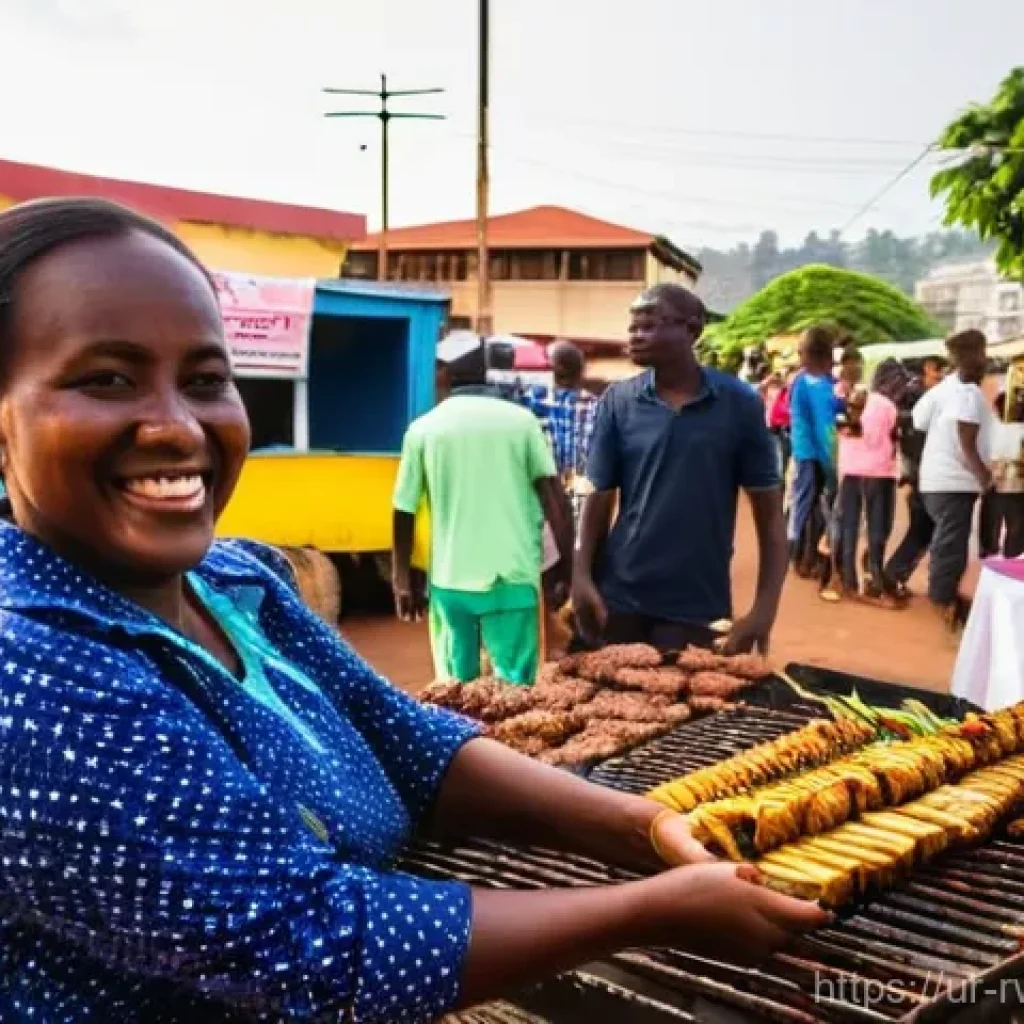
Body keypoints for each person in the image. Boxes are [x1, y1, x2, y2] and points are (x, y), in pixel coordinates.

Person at [0, 198, 827, 1021]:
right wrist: (657, 909)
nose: (179, 426)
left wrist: (641, 826)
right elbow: (313, 944)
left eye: (206, 380)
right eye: (106, 380)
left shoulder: (236, 578)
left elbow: (403, 738)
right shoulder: (28, 675)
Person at [572, 284, 787, 653]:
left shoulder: (739, 405)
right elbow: (598, 498)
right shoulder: (619, 401)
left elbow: (770, 517)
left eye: (648, 325)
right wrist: (581, 577)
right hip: (620, 597)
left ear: (691, 329)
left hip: (698, 605)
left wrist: (764, 610)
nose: (634, 336)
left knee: (690, 706)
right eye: (632, 327)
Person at [393, 351, 572, 687]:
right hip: (512, 579)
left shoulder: (424, 428)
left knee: (453, 691)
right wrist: (568, 569)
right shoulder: (522, 422)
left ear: (446, 377)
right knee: (516, 690)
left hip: (448, 580)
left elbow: (403, 509)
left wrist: (401, 577)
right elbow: (555, 500)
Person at [915, 330, 993, 627]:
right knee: (952, 544)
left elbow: (920, 422)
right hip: (953, 481)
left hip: (935, 479)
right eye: (982, 353)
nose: (986, 360)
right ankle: (943, 602)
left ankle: (944, 595)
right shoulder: (968, 394)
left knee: (945, 541)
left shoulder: (940, 390)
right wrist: (984, 476)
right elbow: (966, 440)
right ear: (972, 356)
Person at [835, 359, 908, 605]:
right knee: (878, 529)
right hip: (879, 473)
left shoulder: (856, 398)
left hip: (851, 472)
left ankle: (847, 580)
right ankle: (874, 580)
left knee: (850, 527)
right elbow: (891, 440)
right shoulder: (888, 406)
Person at [883, 355, 948, 598]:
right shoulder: (922, 399)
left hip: (917, 472)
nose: (943, 377)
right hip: (924, 474)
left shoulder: (911, 399)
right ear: (928, 369)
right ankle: (892, 576)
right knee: (922, 530)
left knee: (923, 530)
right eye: (940, 371)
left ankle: (895, 576)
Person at [521, 340, 599, 524]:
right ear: (581, 370)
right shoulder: (597, 406)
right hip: (582, 506)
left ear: (552, 369)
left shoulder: (532, 400)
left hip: (541, 505)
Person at [787, 327, 840, 578]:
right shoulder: (816, 384)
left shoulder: (806, 380)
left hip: (806, 451)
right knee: (809, 503)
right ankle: (801, 556)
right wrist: (831, 465)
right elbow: (824, 427)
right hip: (813, 453)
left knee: (805, 502)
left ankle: (802, 554)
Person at [979, 391, 1024, 559]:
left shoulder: (990, 428)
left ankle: (991, 556)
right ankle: (1010, 559)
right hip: (1016, 486)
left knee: (990, 529)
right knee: (1016, 532)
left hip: (994, 483)